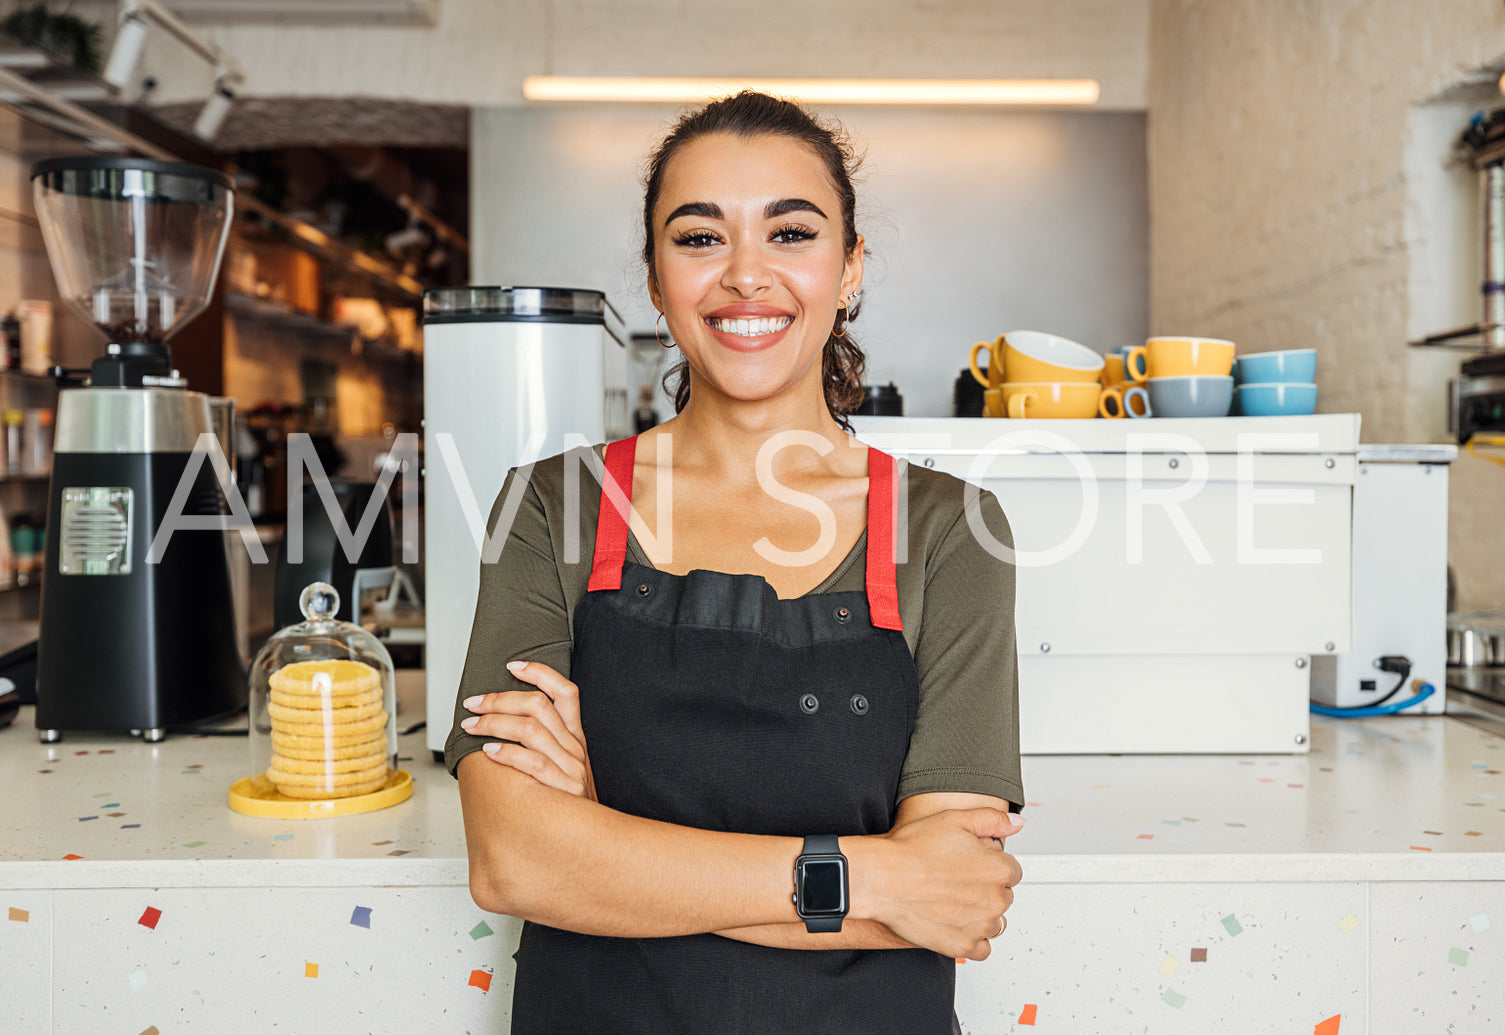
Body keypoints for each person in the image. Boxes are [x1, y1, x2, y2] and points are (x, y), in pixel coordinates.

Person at [446, 90, 1024, 1035]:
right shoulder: (550, 507)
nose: (745, 277)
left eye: (790, 233)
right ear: (654, 272)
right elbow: (516, 863)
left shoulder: (952, 527)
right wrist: (873, 874)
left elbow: (955, 894)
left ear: (849, 269)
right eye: (699, 238)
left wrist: (606, 837)